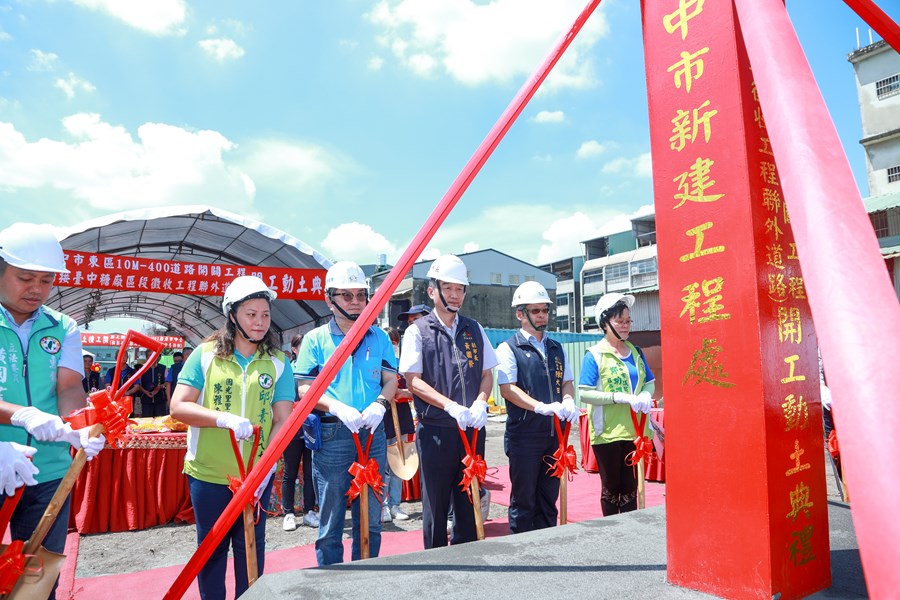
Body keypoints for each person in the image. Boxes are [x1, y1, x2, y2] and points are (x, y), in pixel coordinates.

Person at [170, 275, 294, 600]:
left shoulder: (278, 362)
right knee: (211, 552)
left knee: (251, 551)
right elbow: (178, 406)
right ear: (232, 314)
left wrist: (266, 468)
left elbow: (283, 418)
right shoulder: (206, 355)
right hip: (209, 474)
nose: (260, 322)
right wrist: (221, 418)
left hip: (256, 476)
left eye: (265, 314)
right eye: (251, 314)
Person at [0, 222, 105, 599]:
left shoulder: (62, 326)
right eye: (25, 277)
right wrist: (21, 415)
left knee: (37, 579)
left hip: (50, 470)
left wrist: (79, 428)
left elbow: (69, 386)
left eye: (46, 280)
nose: (36, 289)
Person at [293, 261, 398, 566]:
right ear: (330, 299)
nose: (355, 302)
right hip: (333, 434)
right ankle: (332, 581)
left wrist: (380, 403)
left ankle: (366, 576)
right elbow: (303, 388)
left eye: (361, 295)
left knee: (372, 515)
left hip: (372, 431)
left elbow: (391, 379)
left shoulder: (378, 337)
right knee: (332, 517)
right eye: (347, 295)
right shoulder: (315, 339)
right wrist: (336, 407)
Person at [399, 254, 498, 549]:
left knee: (469, 499)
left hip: (471, 430)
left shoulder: (474, 329)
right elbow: (412, 380)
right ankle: (436, 564)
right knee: (436, 506)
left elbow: (487, 374)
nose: (455, 295)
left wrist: (481, 402)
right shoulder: (417, 331)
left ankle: (469, 562)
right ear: (433, 291)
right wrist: (450, 406)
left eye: (460, 289)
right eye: (448, 288)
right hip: (436, 430)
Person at [496, 281, 579, 533]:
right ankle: (520, 555)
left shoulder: (556, 347)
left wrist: (568, 400)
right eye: (535, 311)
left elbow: (566, 382)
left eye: (544, 310)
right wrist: (539, 406)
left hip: (555, 435)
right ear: (520, 314)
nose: (542, 315)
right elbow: (507, 388)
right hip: (524, 435)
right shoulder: (508, 348)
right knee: (524, 500)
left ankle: (549, 547)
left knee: (548, 499)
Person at [578, 293, 654, 516]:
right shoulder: (594, 355)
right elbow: (584, 393)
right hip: (608, 432)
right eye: (620, 321)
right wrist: (618, 397)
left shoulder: (636, 352)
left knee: (631, 488)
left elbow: (649, 383)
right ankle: (611, 534)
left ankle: (630, 534)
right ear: (605, 323)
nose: (625, 326)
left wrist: (646, 396)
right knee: (612, 488)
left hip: (636, 430)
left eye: (628, 321)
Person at [282, 333, 319, 531]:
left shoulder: (317, 369)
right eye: (301, 347)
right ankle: (288, 513)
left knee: (311, 471)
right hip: (292, 426)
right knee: (291, 470)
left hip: (312, 425)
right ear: (294, 349)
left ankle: (309, 511)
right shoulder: (286, 369)